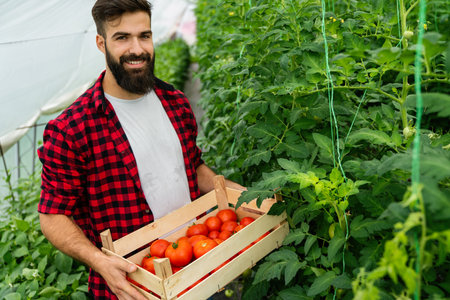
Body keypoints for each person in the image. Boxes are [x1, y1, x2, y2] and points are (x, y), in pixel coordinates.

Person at [37, 0, 244, 299]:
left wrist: (238, 195)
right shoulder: (72, 129)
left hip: (197, 265)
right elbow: (52, 216)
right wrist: (100, 261)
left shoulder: (175, 101)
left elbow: (192, 166)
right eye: (122, 37)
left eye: (144, 36)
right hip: (134, 287)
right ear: (101, 43)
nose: (137, 49)